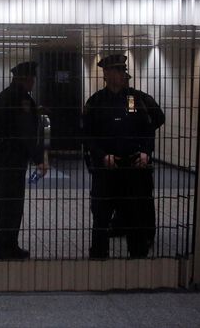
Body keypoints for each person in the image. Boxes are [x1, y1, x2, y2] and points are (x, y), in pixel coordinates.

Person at [82, 54, 165, 259]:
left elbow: (147, 128)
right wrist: (102, 157)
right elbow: (88, 136)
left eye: (122, 70)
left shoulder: (133, 99)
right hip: (106, 169)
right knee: (101, 216)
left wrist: (146, 151)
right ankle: (99, 256)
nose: (122, 74)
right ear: (106, 74)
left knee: (134, 215)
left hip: (132, 167)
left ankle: (138, 255)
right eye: (117, 70)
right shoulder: (96, 102)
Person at [0, 61, 49, 260]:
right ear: (26, 79)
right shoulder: (22, 100)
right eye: (32, 79)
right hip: (14, 160)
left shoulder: (1, 98)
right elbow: (26, 133)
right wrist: (39, 158)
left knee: (3, 204)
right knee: (13, 205)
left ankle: (2, 246)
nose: (33, 83)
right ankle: (7, 247)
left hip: (1, 159)